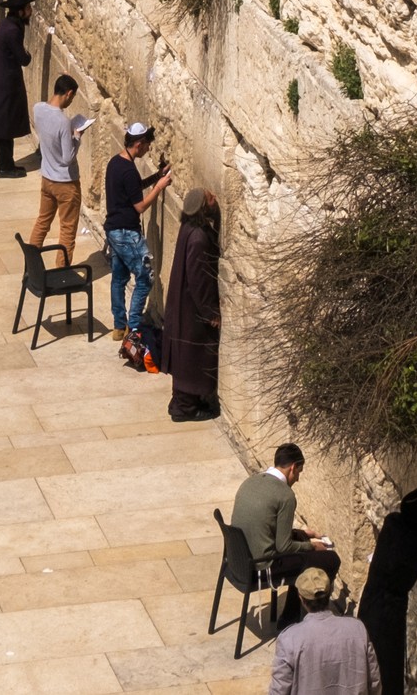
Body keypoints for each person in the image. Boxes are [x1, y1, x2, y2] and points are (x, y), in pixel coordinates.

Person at [356, 485, 417, 695]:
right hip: (387, 613)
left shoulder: (393, 522)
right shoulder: (408, 548)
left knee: (372, 665)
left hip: (370, 601)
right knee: (388, 671)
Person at [232, 446, 340, 622]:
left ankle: (289, 615)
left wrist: (303, 534)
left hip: (239, 562)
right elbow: (284, 546)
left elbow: (265, 526)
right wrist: (311, 545)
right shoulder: (285, 495)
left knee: (302, 540)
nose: (297, 479)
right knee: (329, 559)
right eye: (299, 472)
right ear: (293, 467)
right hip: (261, 566)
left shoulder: (251, 481)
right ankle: (297, 619)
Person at [103, 122, 174, 339]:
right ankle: (134, 327)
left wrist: (155, 177)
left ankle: (118, 326)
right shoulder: (129, 171)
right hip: (126, 234)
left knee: (119, 277)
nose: (148, 150)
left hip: (113, 231)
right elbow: (140, 206)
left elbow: (132, 189)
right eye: (147, 146)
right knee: (145, 277)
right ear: (139, 143)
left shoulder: (116, 163)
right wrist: (160, 187)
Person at [268, 565, 380, 695]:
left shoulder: (289, 639)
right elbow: (374, 683)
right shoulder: (358, 629)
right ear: (331, 590)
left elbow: (279, 690)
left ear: (301, 598)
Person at [163, 187, 222, 422]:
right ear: (202, 207)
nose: (214, 198)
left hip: (183, 305)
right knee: (192, 355)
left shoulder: (190, 228)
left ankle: (183, 399)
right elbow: (199, 280)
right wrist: (210, 312)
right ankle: (184, 407)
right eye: (210, 198)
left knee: (186, 355)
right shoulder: (197, 238)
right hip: (192, 309)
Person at [29, 74, 90, 258]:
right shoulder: (63, 122)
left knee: (42, 222)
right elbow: (67, 158)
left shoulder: (38, 108)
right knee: (67, 231)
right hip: (65, 184)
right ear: (69, 94)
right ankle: (62, 275)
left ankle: (31, 264)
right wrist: (77, 136)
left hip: (47, 179)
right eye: (72, 98)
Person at [0, 0, 35, 179]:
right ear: (20, 11)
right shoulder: (12, 31)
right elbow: (23, 59)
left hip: (4, 80)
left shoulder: (8, 24)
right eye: (28, 8)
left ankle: (7, 163)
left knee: (5, 125)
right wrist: (28, 54)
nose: (31, 12)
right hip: (7, 83)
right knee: (4, 127)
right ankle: (3, 167)